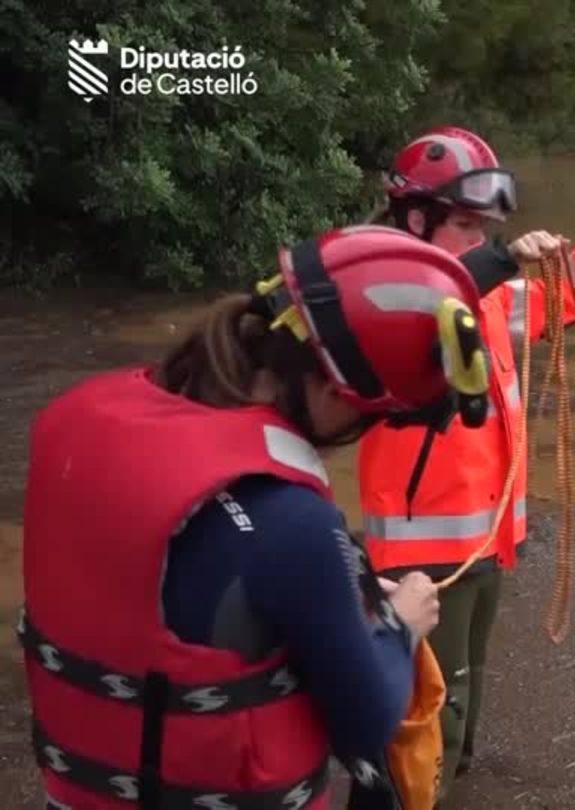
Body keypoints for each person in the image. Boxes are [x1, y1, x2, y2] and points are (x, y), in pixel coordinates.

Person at [19, 225, 536, 809]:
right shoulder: (292, 523)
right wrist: (400, 623)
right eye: (377, 418)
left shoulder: (72, 420)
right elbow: (367, 724)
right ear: (339, 395)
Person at [358, 125, 575, 802]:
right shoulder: (387, 291)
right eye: (464, 224)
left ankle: (444, 783)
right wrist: (497, 256)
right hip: (426, 550)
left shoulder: (484, 292)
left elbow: (558, 300)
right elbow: (428, 306)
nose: (476, 238)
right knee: (429, 702)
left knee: (466, 685)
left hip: (484, 538)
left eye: (483, 227)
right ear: (415, 217)